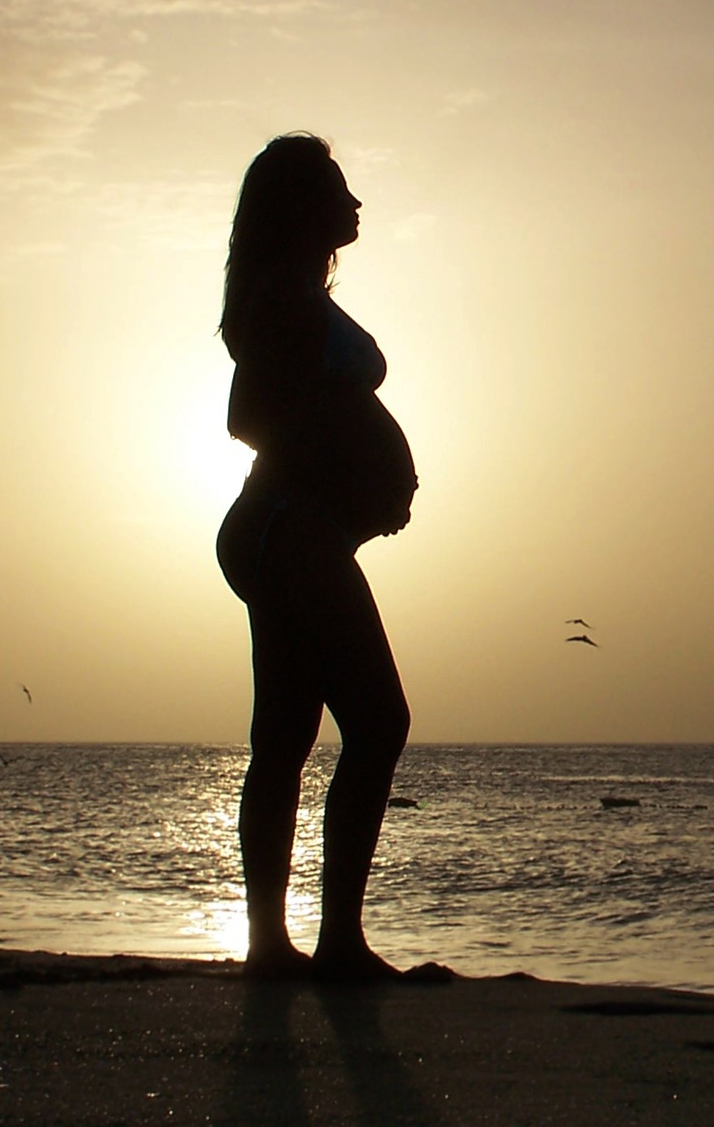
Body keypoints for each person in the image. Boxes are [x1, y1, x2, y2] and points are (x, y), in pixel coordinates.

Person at [215, 133, 419, 981]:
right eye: (339, 187)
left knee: (286, 735)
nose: (356, 202)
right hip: (289, 528)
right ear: (301, 205)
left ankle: (277, 946)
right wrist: (346, 467)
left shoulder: (295, 294)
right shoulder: (281, 303)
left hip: (295, 530)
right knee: (377, 722)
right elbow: (249, 417)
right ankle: (332, 945)